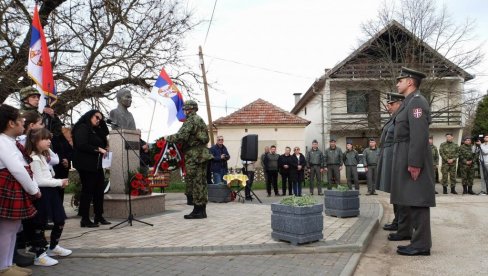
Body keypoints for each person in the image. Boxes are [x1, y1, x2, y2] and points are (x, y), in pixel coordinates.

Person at [390, 67, 435, 256]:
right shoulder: (409, 102)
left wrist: (415, 162)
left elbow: (418, 135)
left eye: (400, 80)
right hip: (405, 154)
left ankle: (422, 245)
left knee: (418, 201)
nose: (397, 84)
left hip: (413, 157)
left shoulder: (417, 103)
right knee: (412, 200)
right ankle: (418, 242)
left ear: (410, 82)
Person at [0, 104, 40, 276]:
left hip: (13, 185)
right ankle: (3, 267)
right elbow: (17, 169)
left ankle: (9, 263)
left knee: (13, 228)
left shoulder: (10, 142)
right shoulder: (2, 141)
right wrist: (33, 190)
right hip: (8, 186)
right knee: (7, 229)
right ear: (11, 123)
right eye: (20, 120)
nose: (23, 122)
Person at [25, 128, 72, 266]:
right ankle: (39, 255)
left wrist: (56, 182)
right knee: (39, 223)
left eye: (49, 138)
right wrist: (59, 182)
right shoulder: (34, 158)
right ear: (35, 141)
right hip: (42, 193)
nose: (49, 141)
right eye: (45, 139)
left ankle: (53, 247)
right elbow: (39, 181)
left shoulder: (41, 156)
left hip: (51, 191)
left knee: (60, 219)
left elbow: (50, 170)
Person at [166, 100, 213, 219]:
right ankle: (201, 210)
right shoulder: (200, 119)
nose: (184, 112)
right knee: (201, 182)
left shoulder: (191, 120)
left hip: (194, 155)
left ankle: (198, 210)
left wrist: (167, 138)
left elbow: (181, 136)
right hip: (202, 154)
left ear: (189, 109)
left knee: (195, 182)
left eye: (185, 110)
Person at [72, 110, 110, 228]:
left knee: (99, 189)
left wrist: (102, 122)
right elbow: (81, 144)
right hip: (85, 164)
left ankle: (98, 215)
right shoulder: (82, 127)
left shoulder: (96, 129)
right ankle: (85, 218)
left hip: (96, 164)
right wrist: (98, 149)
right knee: (88, 191)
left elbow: (105, 133)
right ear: (89, 115)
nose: (98, 120)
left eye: (100, 118)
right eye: (96, 117)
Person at [376, 93, 404, 232]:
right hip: (389, 157)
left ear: (399, 103)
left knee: (399, 192)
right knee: (394, 192)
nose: (388, 107)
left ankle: (401, 223)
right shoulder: (394, 118)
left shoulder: (401, 118)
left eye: (391, 104)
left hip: (395, 158)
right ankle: (397, 220)